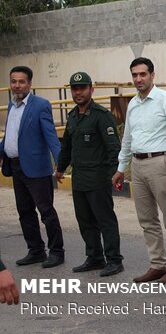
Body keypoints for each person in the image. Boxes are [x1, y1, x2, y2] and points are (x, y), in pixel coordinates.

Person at [112, 57, 166, 283]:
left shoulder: (165, 100)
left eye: (142, 74)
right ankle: (158, 264)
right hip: (138, 165)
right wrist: (121, 167)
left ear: (153, 75)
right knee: (147, 219)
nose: (138, 79)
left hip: (162, 162)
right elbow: (127, 138)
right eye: (134, 75)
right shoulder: (133, 104)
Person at [55, 72, 124, 277]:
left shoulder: (101, 116)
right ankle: (94, 257)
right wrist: (60, 168)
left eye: (82, 88)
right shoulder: (73, 116)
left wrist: (115, 173)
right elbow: (67, 145)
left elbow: (113, 148)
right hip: (79, 178)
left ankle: (114, 260)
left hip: (98, 178)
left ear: (91, 90)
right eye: (75, 89)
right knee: (84, 220)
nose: (78, 92)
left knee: (105, 220)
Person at [0, 66, 64, 268]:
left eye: (21, 81)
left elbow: (51, 136)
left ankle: (56, 252)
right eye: (13, 81)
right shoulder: (11, 106)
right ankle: (36, 250)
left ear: (29, 84)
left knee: (46, 211)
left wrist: (61, 163)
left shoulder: (40, 105)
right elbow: (10, 136)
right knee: (25, 211)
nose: (17, 85)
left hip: (37, 169)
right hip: (16, 167)